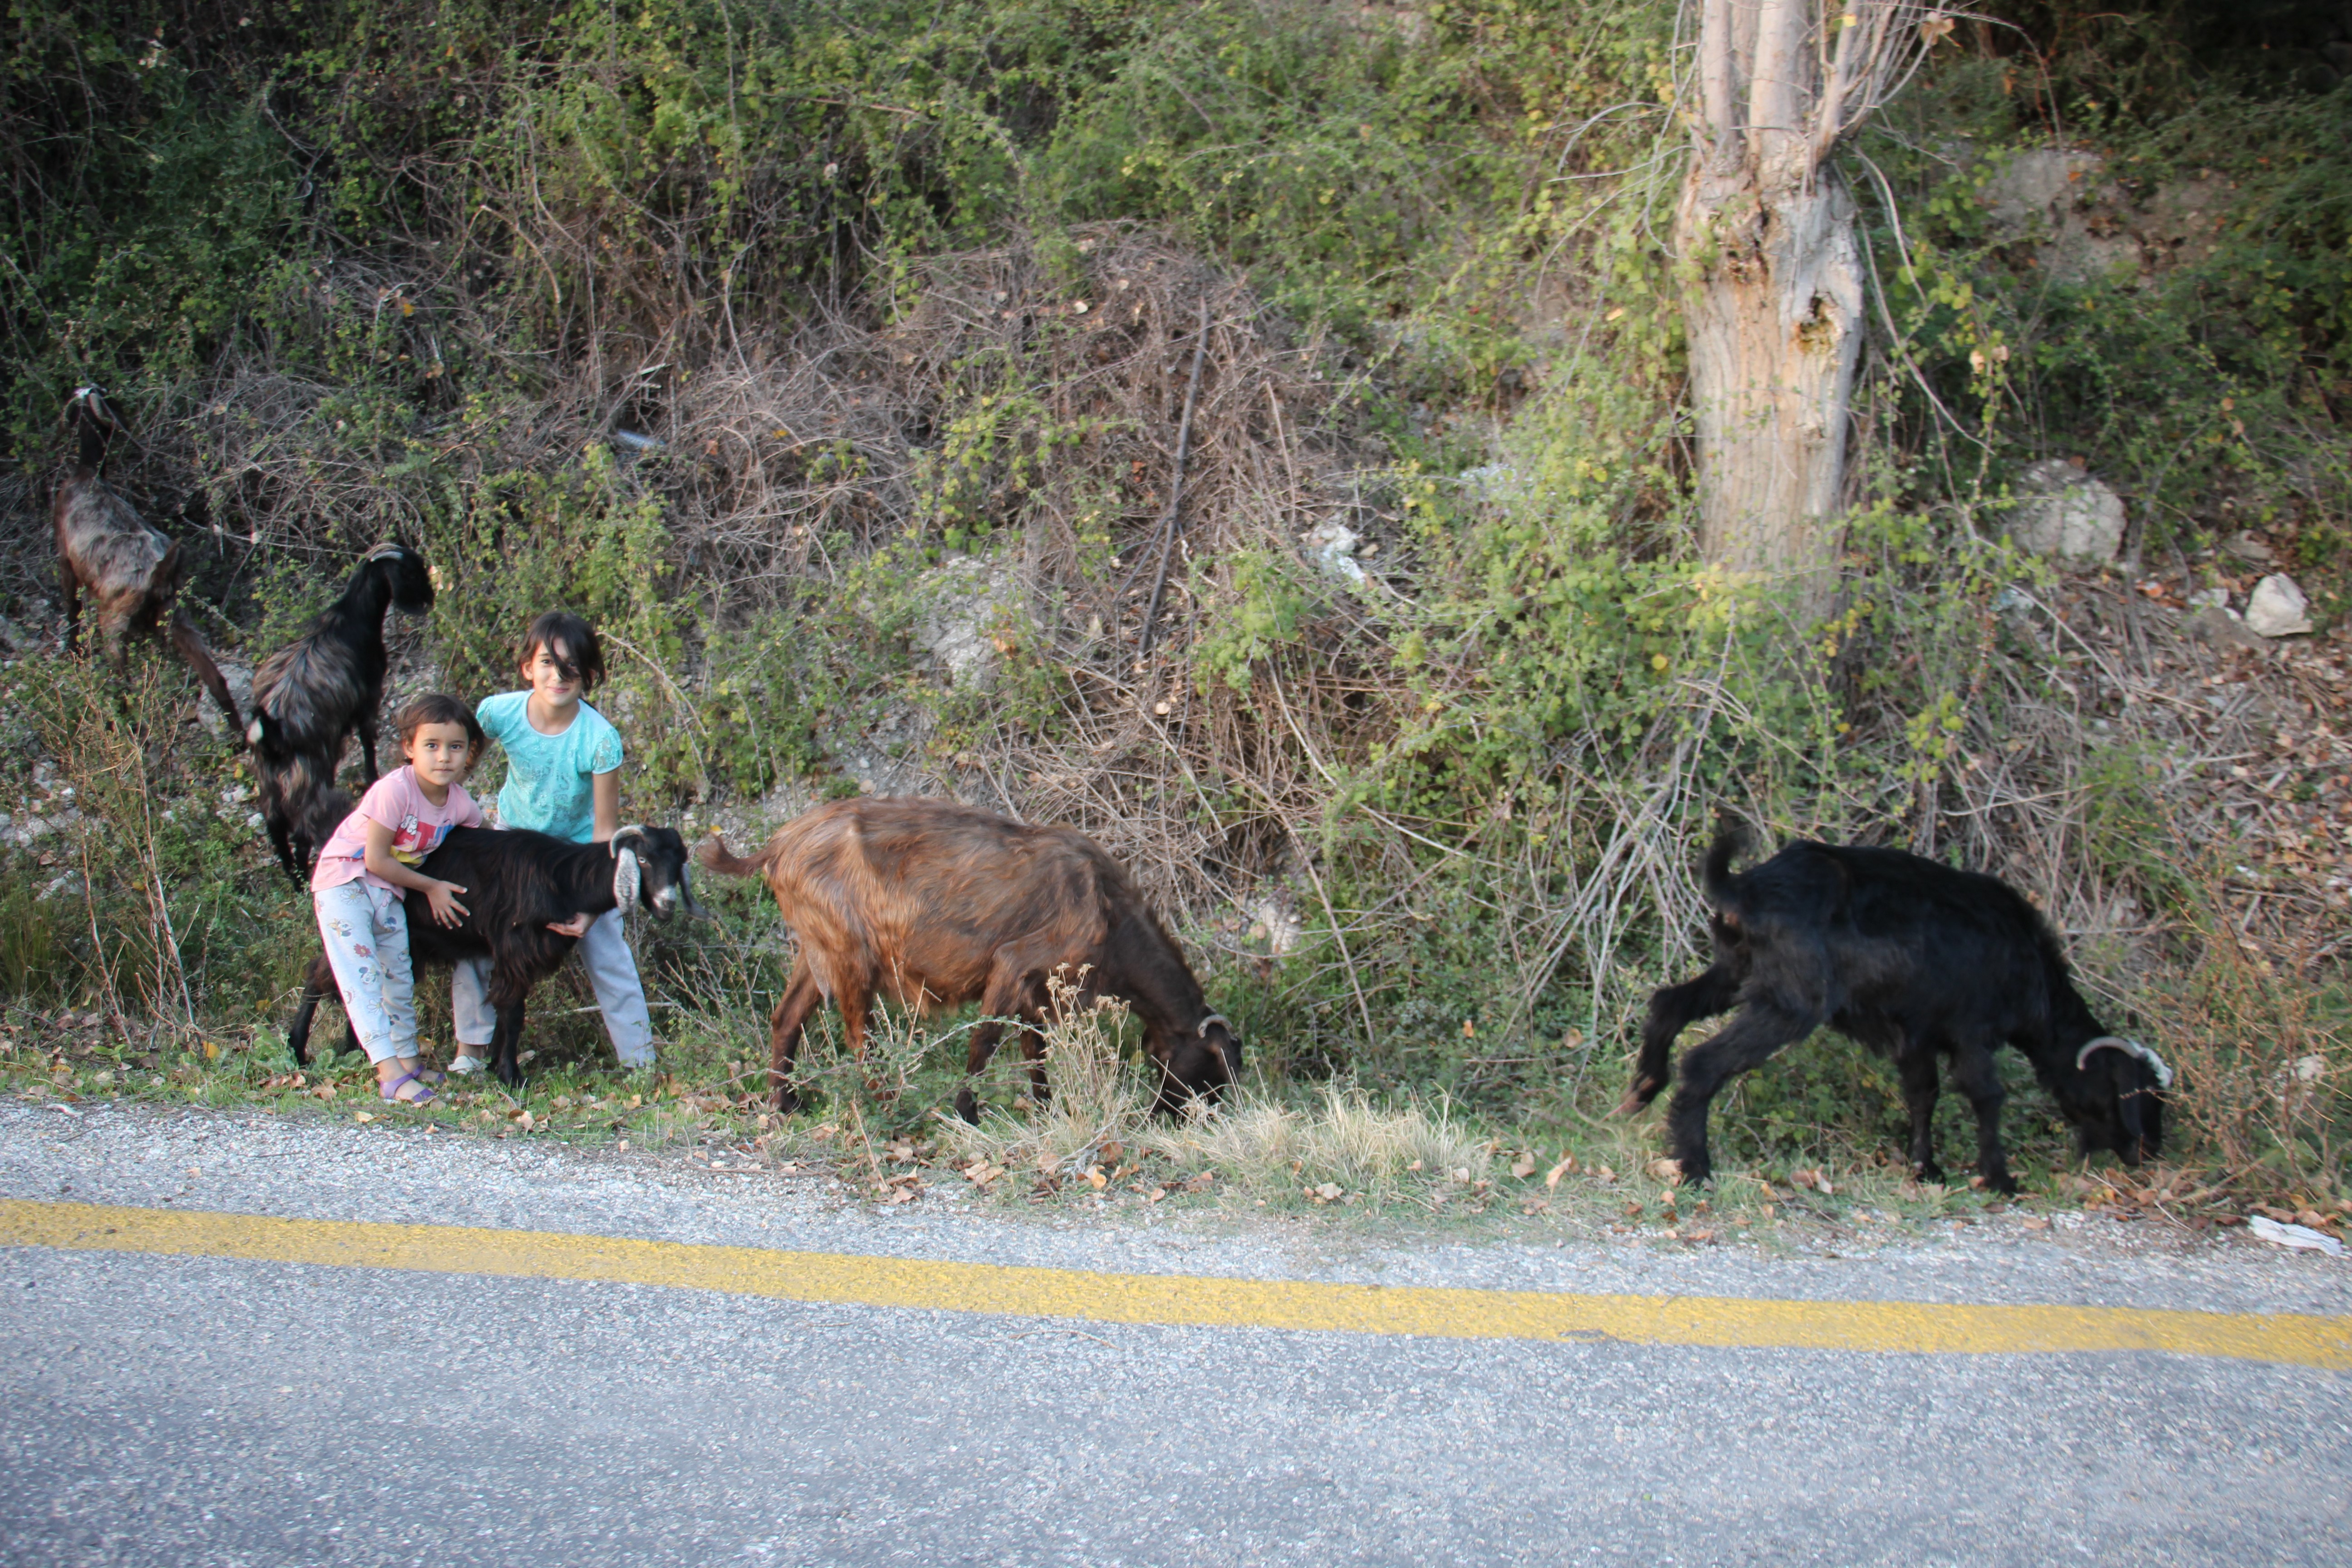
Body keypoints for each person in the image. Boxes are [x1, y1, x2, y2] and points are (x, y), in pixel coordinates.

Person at [451, 610, 657, 1074]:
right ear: (527, 667)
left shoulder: (600, 740)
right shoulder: (499, 712)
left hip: (574, 856)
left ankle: (641, 1064)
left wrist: (593, 906)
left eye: (571, 667)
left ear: (589, 674)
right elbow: (455, 766)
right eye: (547, 663)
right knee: (481, 938)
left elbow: (606, 830)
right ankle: (472, 1050)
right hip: (510, 847)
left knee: (608, 952)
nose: (558, 676)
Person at [309, 694, 487, 1105]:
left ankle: (407, 1060)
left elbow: (484, 849)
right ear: (410, 749)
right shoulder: (394, 791)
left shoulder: (461, 804)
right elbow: (376, 858)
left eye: (455, 747)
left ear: (468, 753)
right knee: (364, 978)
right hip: (345, 882)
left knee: (399, 975)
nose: (444, 757)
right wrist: (431, 887)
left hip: (388, 891)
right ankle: (388, 1074)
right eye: (432, 746)